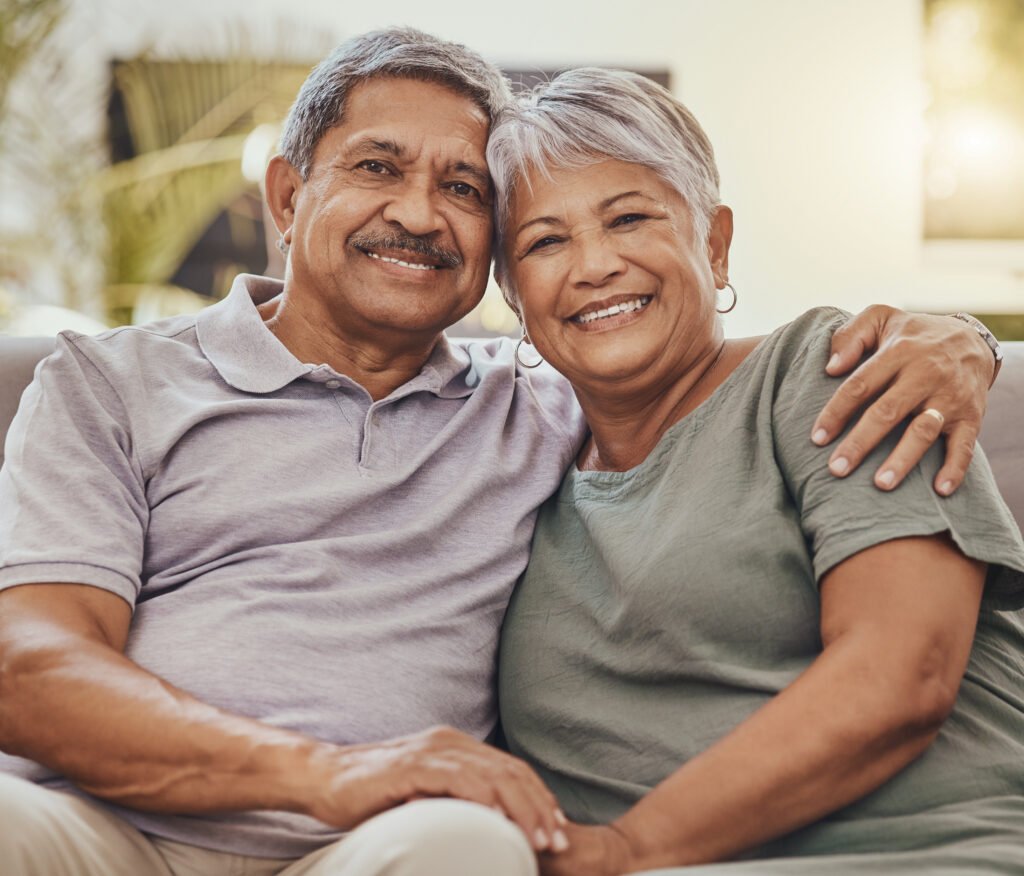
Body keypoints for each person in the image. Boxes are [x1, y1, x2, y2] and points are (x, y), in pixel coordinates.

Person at [0, 26, 1005, 876]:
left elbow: (694, 376)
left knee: (464, 845)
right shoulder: (109, 383)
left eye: (464, 189)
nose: (418, 213)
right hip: (99, 824)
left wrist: (958, 340)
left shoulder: (548, 402)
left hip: (377, 846)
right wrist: (327, 769)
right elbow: (26, 664)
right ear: (287, 195)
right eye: (377, 167)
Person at [489, 67, 1024, 875]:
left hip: (933, 853)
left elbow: (902, 675)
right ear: (512, 293)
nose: (593, 264)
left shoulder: (830, 370)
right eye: (545, 241)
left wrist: (629, 850)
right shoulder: (510, 459)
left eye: (630, 217)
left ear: (714, 242)